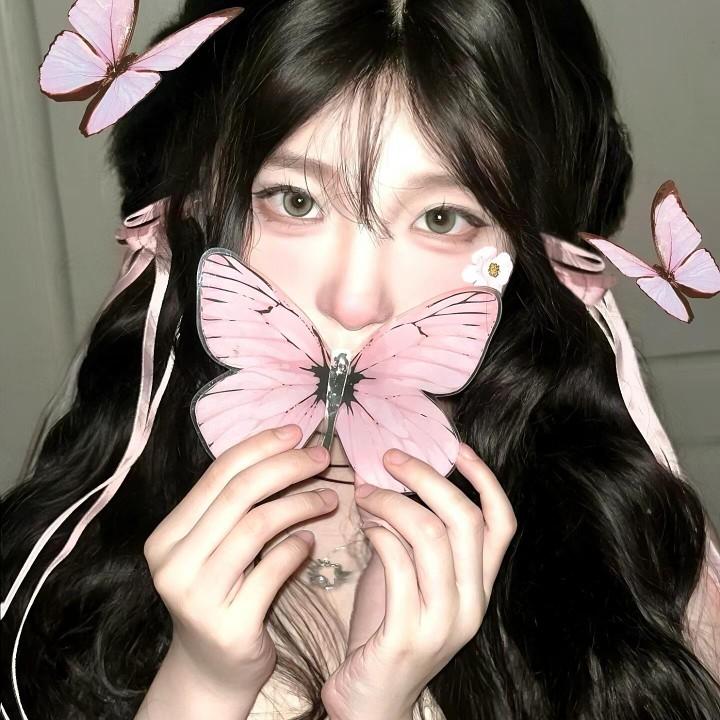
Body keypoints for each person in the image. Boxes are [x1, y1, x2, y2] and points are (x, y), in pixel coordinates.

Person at [2, 1, 719, 718]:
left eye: (441, 218)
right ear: (197, 210)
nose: (354, 301)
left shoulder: (634, 558)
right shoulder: (73, 543)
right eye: (295, 200)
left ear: (531, 255)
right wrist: (200, 685)